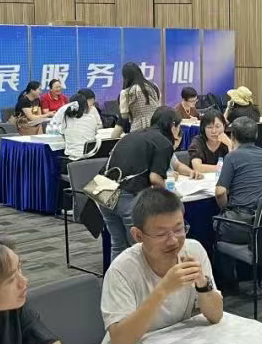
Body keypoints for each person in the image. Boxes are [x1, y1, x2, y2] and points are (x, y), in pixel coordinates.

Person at [100, 188, 223, 344]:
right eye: (161, 234)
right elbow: (121, 342)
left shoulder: (193, 251)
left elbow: (216, 316)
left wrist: (202, 284)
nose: (173, 241)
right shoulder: (122, 270)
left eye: (179, 229)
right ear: (138, 235)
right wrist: (163, 290)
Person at [98, 108, 179, 261]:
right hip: (127, 194)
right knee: (139, 248)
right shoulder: (163, 143)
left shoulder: (133, 134)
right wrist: (172, 195)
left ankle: (116, 276)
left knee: (118, 244)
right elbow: (155, 178)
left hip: (103, 189)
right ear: (173, 125)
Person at [214, 117, 262, 244]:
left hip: (240, 224)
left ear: (232, 136)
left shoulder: (231, 157)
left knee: (215, 223)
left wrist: (225, 209)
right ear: (256, 135)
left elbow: (220, 192)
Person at [56, 90, 103, 158]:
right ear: (85, 106)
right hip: (90, 156)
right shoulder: (91, 118)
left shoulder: (65, 118)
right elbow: (96, 133)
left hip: (72, 157)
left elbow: (62, 134)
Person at [119, 62, 160, 133]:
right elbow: (158, 104)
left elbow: (124, 115)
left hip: (138, 128)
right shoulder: (153, 86)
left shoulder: (126, 92)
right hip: (157, 126)